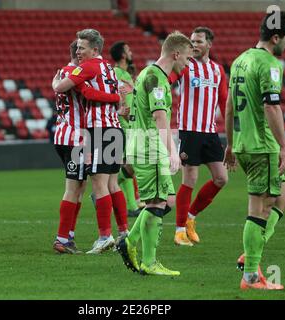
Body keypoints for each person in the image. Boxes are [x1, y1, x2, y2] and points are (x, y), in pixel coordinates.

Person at [223, 11, 285, 290]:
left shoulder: (241, 60)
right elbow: (271, 106)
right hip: (261, 146)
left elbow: (229, 106)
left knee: (283, 199)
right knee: (260, 208)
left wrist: (230, 144)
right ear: (276, 37)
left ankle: (250, 255)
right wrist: (284, 147)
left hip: (243, 144)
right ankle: (251, 275)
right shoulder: (270, 64)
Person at [117, 31, 193, 276]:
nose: (188, 63)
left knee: (167, 200)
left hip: (143, 141)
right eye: (188, 58)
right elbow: (159, 116)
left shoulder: (149, 74)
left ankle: (129, 241)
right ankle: (147, 261)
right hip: (149, 144)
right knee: (157, 202)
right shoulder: (155, 78)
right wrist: (172, 152)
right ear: (176, 53)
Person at [53, 29, 130, 254]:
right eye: (77, 48)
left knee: (96, 185)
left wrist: (60, 83)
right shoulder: (109, 69)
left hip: (97, 131)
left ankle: (104, 236)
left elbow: (62, 88)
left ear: (94, 50)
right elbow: (118, 98)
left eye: (82, 48)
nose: (79, 51)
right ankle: (124, 233)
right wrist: (116, 99)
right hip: (114, 129)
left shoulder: (83, 68)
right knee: (111, 183)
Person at [170, 27, 229, 246]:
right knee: (190, 179)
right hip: (189, 131)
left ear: (209, 44)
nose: (194, 45)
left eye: (199, 41)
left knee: (221, 178)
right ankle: (178, 231)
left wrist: (231, 132)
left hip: (210, 132)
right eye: (192, 41)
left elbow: (224, 101)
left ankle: (190, 219)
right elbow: (167, 81)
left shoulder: (217, 70)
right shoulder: (185, 66)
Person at [109, 40, 143, 217]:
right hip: (123, 124)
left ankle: (131, 205)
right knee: (133, 165)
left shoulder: (126, 74)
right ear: (123, 54)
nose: (131, 52)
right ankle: (128, 203)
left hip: (131, 123)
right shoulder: (115, 73)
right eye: (128, 50)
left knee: (128, 165)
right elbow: (116, 98)